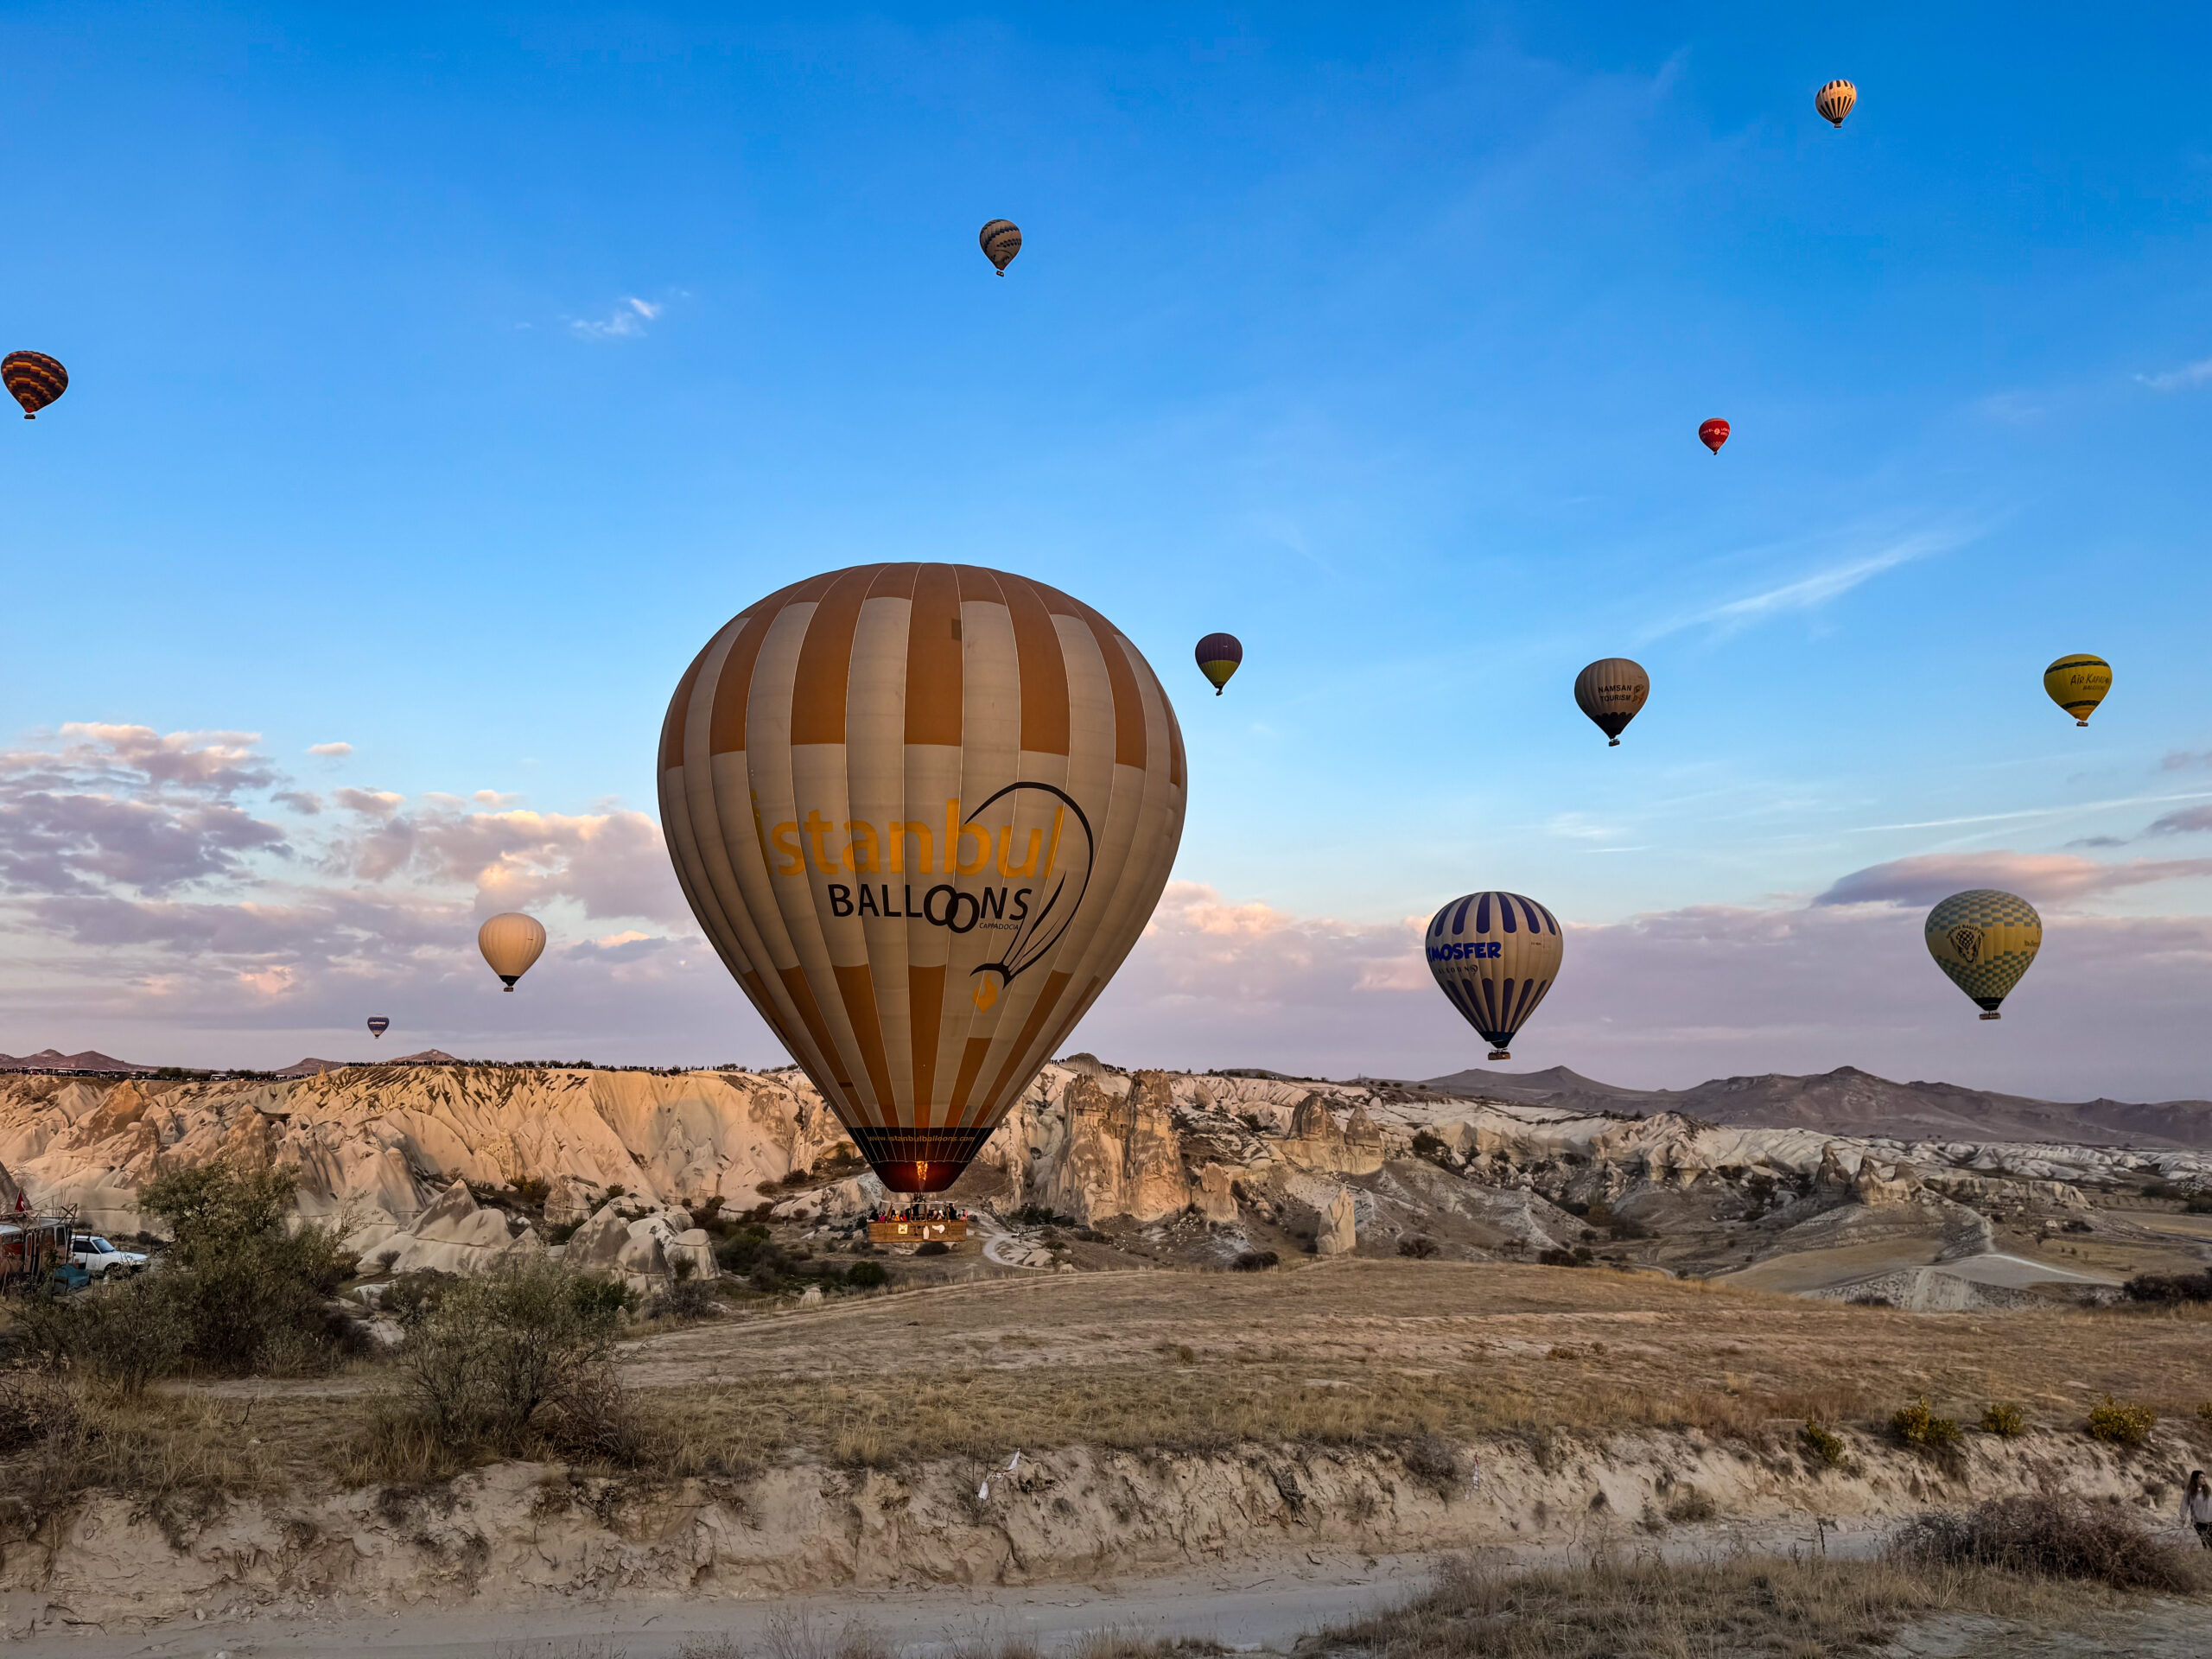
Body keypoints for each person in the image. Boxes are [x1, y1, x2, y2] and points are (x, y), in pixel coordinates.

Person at [2185, 1471, 2212, 1548]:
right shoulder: (2190, 1491)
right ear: (2195, 1479)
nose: (2203, 1479)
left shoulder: (2208, 1490)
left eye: (2204, 1477)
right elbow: (2184, 1505)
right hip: (2198, 1522)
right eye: (2201, 1477)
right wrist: (2183, 1519)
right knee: (2204, 1543)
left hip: (2210, 1520)